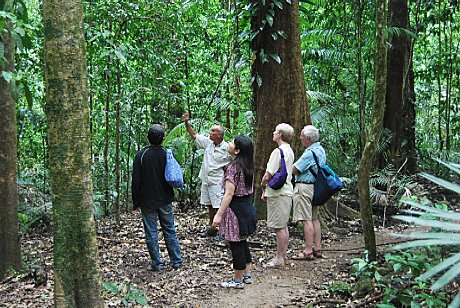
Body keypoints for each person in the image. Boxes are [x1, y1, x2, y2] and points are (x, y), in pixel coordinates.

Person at [132, 124, 182, 271]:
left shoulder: (141, 155)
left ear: (148, 137)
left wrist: (136, 202)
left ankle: (157, 263)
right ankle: (176, 260)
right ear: (163, 139)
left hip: (147, 201)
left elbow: (136, 181)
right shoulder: (167, 153)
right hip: (165, 198)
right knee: (169, 229)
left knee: (151, 232)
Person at [212, 135, 256, 289]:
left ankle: (237, 280)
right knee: (242, 241)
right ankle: (246, 274)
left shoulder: (233, 168)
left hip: (235, 211)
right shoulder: (248, 166)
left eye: (231, 142)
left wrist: (218, 215)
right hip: (246, 208)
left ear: (237, 150)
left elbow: (229, 194)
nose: (228, 143)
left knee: (235, 244)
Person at [183, 112, 231, 237]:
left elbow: (235, 161)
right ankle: (212, 228)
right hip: (206, 180)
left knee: (218, 206)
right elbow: (193, 135)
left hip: (217, 181)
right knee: (209, 205)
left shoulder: (227, 148)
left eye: (213, 131)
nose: (210, 133)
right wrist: (186, 122)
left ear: (219, 135)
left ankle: (222, 230)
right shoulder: (208, 143)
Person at [260, 123, 295, 268]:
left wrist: (262, 184)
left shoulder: (278, 151)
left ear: (280, 134)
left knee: (279, 227)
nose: (273, 133)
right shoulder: (290, 151)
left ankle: (279, 258)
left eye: (275, 131)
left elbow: (269, 174)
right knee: (283, 225)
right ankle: (283, 255)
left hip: (278, 192)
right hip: (286, 191)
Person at [291, 125, 326, 261]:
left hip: (304, 188)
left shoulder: (309, 153)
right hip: (315, 187)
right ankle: (317, 248)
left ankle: (307, 251)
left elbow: (295, 169)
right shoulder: (320, 150)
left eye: (302, 136)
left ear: (308, 139)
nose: (300, 138)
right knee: (314, 218)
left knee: (306, 220)